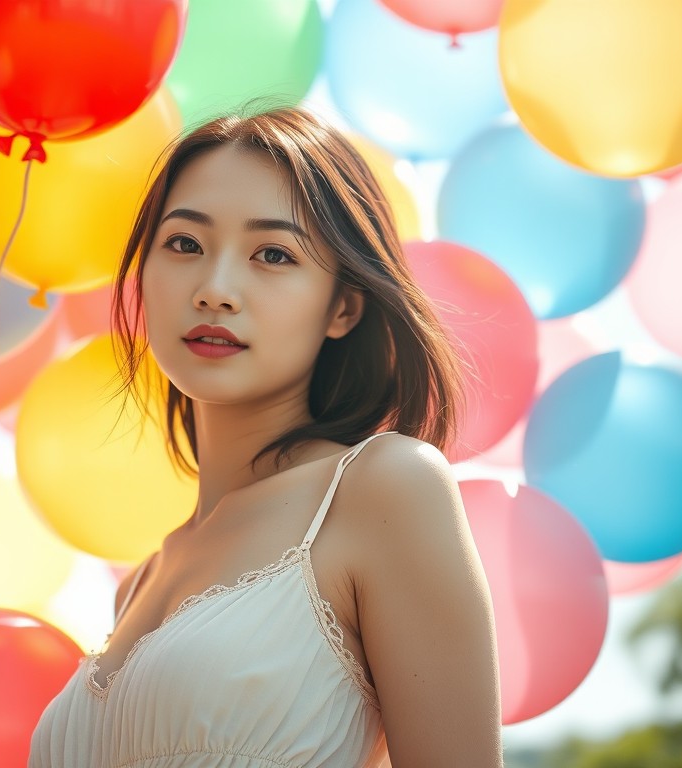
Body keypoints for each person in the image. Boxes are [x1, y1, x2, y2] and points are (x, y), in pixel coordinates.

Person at [29, 106, 502, 767]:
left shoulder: (383, 488)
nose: (216, 289)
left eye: (273, 254)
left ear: (343, 307)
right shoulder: (136, 585)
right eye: (185, 244)